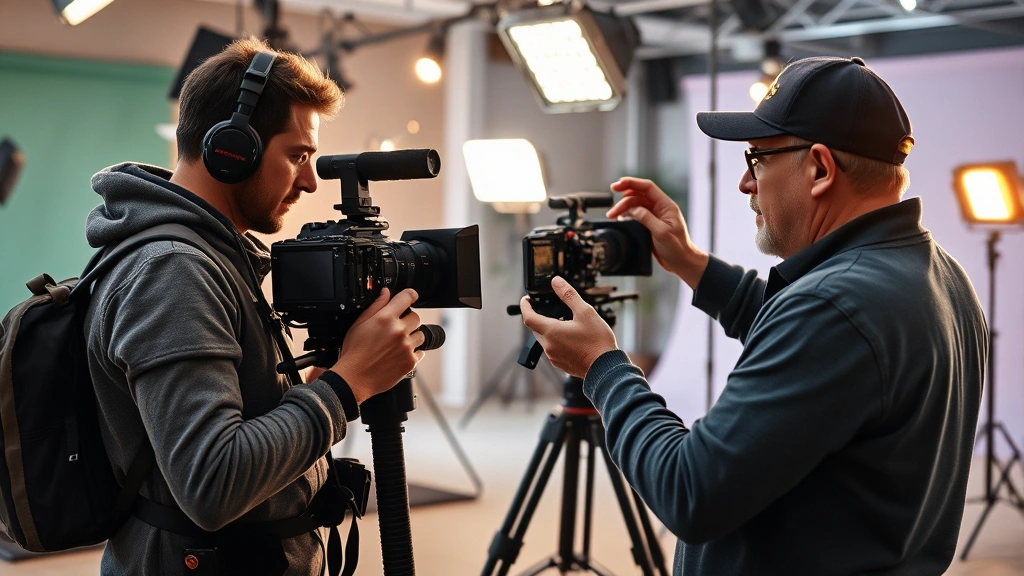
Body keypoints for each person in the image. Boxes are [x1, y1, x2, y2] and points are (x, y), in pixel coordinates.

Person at [520, 56, 989, 574]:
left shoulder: (834, 307)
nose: (746, 184)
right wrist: (692, 263)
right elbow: (814, 349)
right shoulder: (940, 276)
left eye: (758, 159)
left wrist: (602, 367)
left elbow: (689, 491)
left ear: (819, 168)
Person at [84, 38, 425, 574]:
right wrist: (346, 386)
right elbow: (212, 482)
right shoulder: (173, 271)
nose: (311, 181)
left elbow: (224, 422)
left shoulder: (207, 256)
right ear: (232, 149)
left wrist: (310, 389)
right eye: (298, 155)